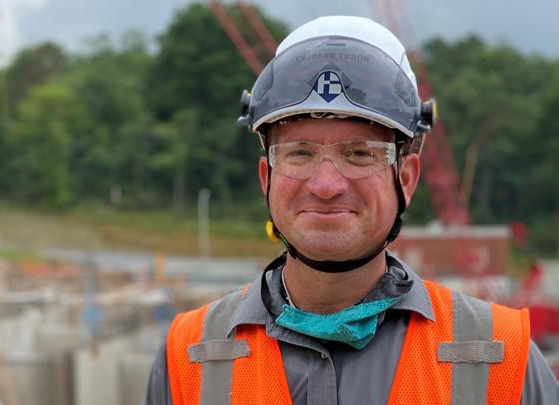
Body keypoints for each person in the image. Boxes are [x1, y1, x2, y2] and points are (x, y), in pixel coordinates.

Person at [145, 16, 558, 405]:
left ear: (407, 178)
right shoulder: (189, 359)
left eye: (360, 154)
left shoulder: (504, 360)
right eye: (299, 153)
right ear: (266, 176)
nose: (326, 185)